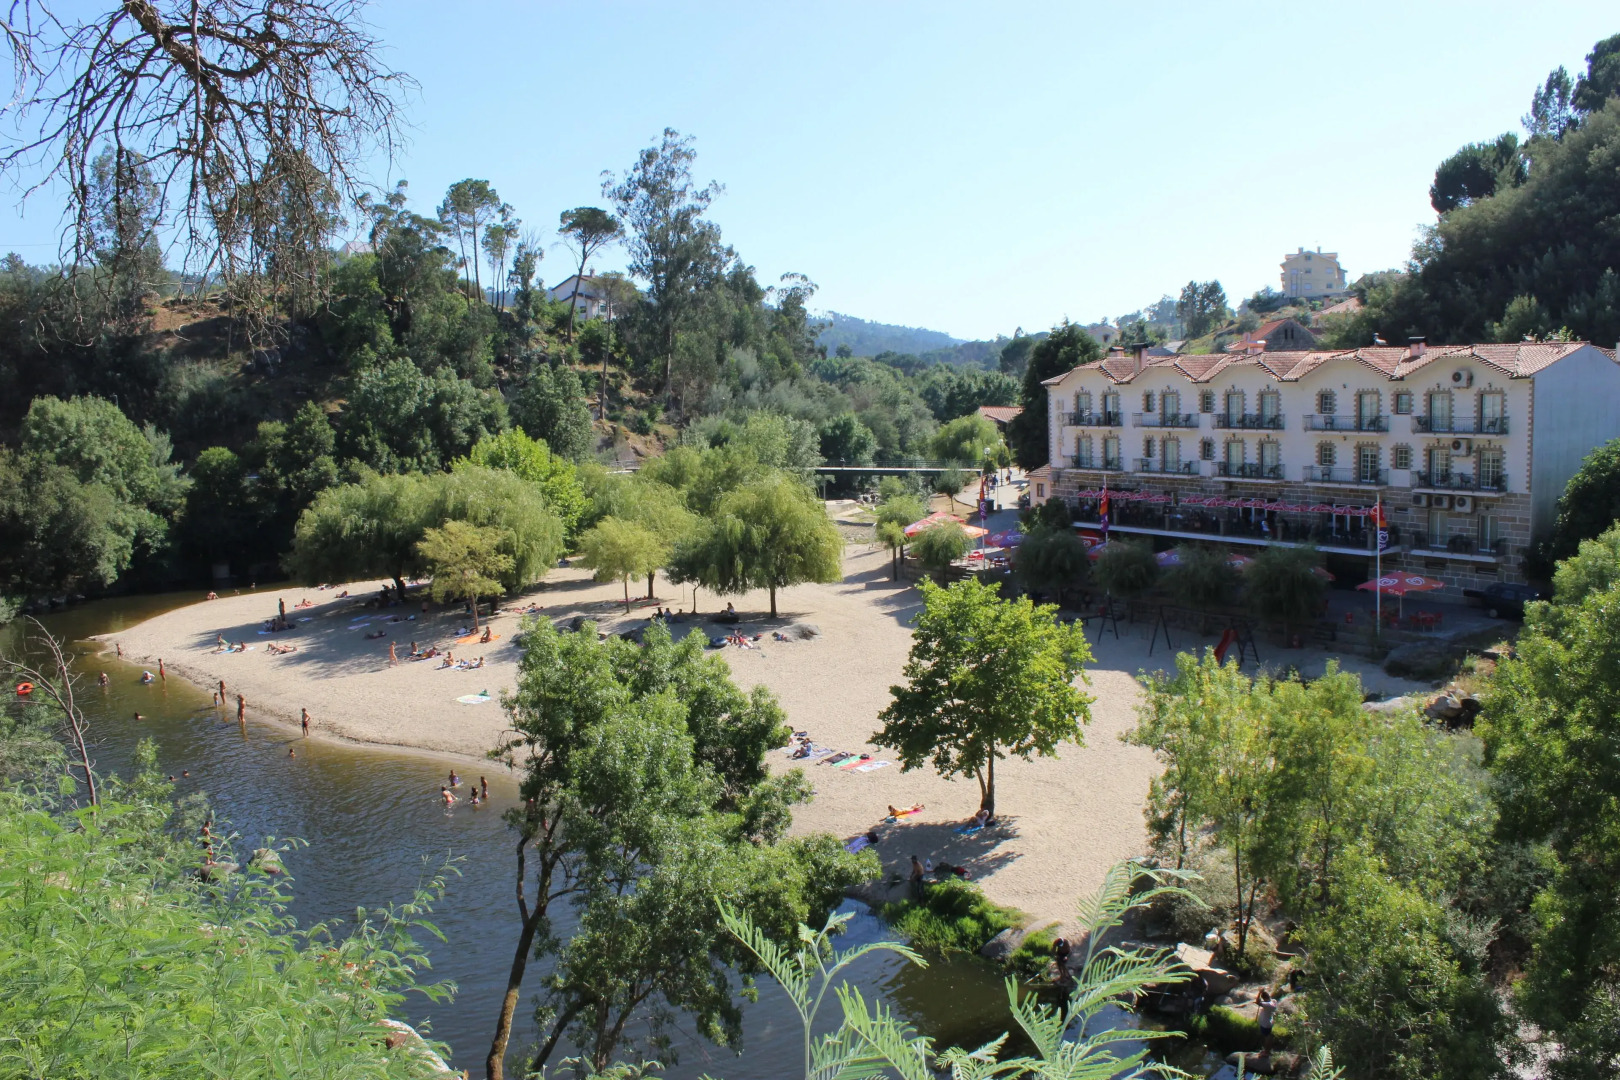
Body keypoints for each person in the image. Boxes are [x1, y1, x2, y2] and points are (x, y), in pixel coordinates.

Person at [1256, 988, 1277, 1057]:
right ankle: (1267, 1050)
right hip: (1269, 1022)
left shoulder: (1267, 1005)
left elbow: (1257, 1002)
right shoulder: (1273, 1001)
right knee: (1268, 1037)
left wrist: (1259, 992)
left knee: (1266, 1038)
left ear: (1264, 998)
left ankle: (1266, 1051)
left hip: (1265, 1023)